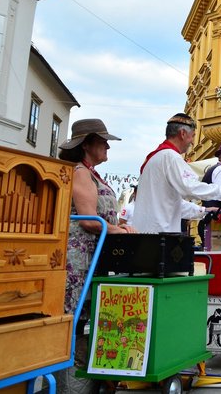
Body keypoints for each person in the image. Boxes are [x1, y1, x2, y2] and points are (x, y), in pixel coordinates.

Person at [56, 119, 135, 394]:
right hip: (79, 260)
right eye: (103, 141)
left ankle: (82, 381)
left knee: (84, 320)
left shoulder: (91, 173)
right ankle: (71, 385)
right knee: (75, 321)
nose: (108, 146)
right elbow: (90, 220)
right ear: (87, 144)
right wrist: (122, 230)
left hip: (93, 257)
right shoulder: (79, 172)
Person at [136, 114, 221, 233]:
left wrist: (205, 210)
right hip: (159, 234)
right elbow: (189, 187)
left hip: (146, 232)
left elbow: (173, 205)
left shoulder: (156, 157)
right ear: (183, 133)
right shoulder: (171, 157)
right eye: (193, 136)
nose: (192, 142)